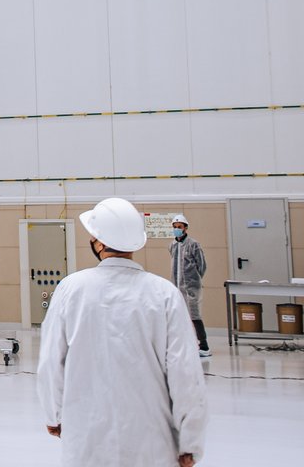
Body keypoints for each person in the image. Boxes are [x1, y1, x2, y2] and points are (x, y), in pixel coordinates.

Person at [37, 197, 208, 467]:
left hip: (86, 442)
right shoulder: (164, 294)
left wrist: (54, 415)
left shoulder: (71, 289)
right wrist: (190, 443)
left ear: (99, 242)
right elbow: (185, 373)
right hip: (152, 444)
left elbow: (50, 361)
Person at [170, 213, 210, 357]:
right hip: (177, 286)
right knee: (179, 316)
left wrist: (195, 279)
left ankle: (204, 346)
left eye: (179, 227)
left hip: (192, 287)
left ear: (185, 228)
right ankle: (185, 344)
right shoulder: (173, 245)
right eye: (175, 227)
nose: (177, 229)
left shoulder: (193, 244)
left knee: (195, 315)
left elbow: (202, 265)